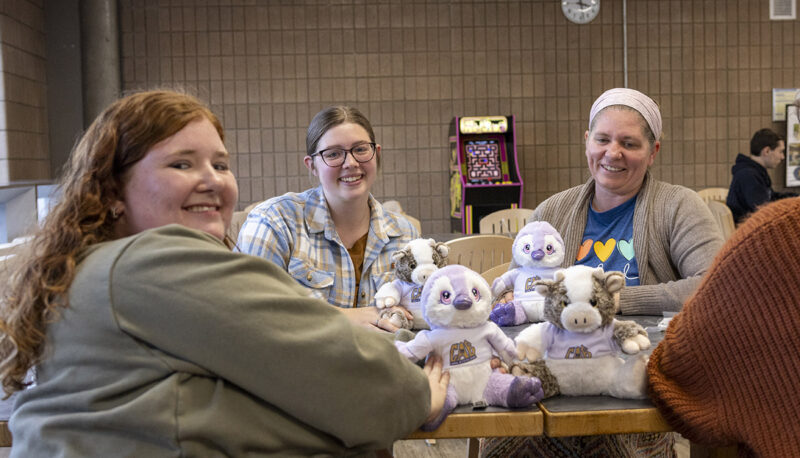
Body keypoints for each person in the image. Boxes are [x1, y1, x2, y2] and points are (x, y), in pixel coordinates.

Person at [0, 90, 449, 457]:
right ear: (113, 189)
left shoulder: (102, 265)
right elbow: (336, 368)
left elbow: (227, 407)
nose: (211, 179)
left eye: (220, 164)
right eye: (181, 163)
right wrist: (416, 396)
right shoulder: (153, 262)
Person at [481, 88, 725, 456]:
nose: (613, 153)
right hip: (552, 379)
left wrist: (612, 301)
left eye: (629, 142)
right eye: (603, 139)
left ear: (653, 151)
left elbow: (715, 287)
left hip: (632, 387)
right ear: (587, 142)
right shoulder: (551, 212)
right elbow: (516, 298)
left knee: (608, 443)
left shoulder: (678, 207)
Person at [237, 106, 419, 332]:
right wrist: (346, 317)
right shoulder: (274, 222)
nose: (351, 162)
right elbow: (249, 315)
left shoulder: (406, 235)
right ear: (312, 165)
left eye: (360, 149)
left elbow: (421, 314)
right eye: (333, 154)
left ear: (377, 154)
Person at [648, 196, 800, 456]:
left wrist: (618, 298)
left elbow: (684, 355)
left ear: (653, 154)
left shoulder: (779, 230)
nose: (614, 153)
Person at [726, 128, 797, 224]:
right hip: (748, 231)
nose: (782, 157)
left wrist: (794, 199)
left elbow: (771, 197)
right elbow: (763, 210)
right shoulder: (749, 176)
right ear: (767, 151)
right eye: (780, 151)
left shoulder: (755, 172)